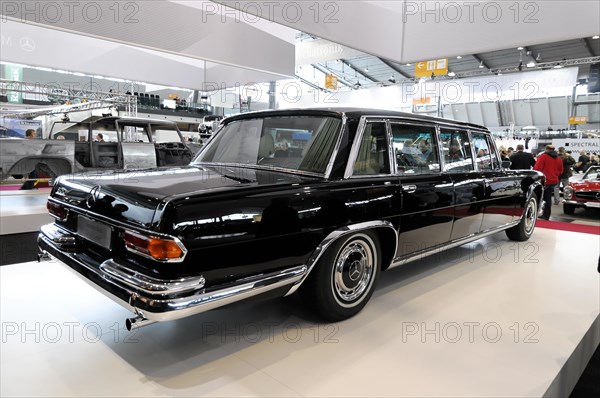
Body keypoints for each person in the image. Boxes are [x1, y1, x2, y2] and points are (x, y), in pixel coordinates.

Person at [534, 145, 564, 220]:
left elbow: (537, 168)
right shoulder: (558, 158)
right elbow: (561, 170)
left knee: (538, 197)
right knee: (548, 198)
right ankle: (546, 215)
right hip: (554, 180)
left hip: (544, 180)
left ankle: (535, 214)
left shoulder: (543, 156)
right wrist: (555, 175)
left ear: (546, 149)